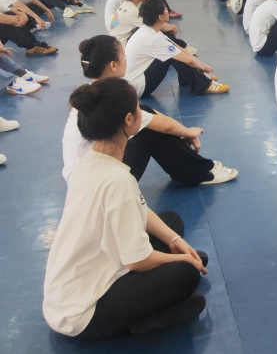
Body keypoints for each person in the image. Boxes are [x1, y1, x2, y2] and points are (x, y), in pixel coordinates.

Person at [44, 77, 209, 340]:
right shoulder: (117, 181)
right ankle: (142, 323)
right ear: (129, 120)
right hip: (84, 314)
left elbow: (139, 208)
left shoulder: (91, 160)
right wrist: (182, 260)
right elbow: (138, 261)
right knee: (187, 272)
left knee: (171, 222)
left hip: (73, 287)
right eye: (139, 109)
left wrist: (175, 241)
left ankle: (162, 287)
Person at [62, 35, 238, 186]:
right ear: (113, 65)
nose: (126, 59)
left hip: (82, 180)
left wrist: (180, 133)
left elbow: (148, 114)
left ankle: (194, 168)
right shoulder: (114, 96)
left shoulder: (91, 92)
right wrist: (189, 132)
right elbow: (163, 126)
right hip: (100, 186)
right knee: (151, 131)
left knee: (146, 117)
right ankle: (199, 173)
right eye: (123, 55)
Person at [124, 0, 228, 97]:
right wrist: (203, 68)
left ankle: (188, 78)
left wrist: (202, 66)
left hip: (134, 82)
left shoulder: (149, 30)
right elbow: (188, 60)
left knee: (175, 52)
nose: (168, 11)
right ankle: (203, 85)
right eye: (166, 9)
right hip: (138, 87)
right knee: (173, 56)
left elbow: (178, 48)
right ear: (160, 17)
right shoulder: (152, 38)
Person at [110, 0, 184, 48]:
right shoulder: (132, 11)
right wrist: (172, 27)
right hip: (122, 46)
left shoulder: (125, 3)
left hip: (115, 43)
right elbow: (153, 25)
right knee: (158, 32)